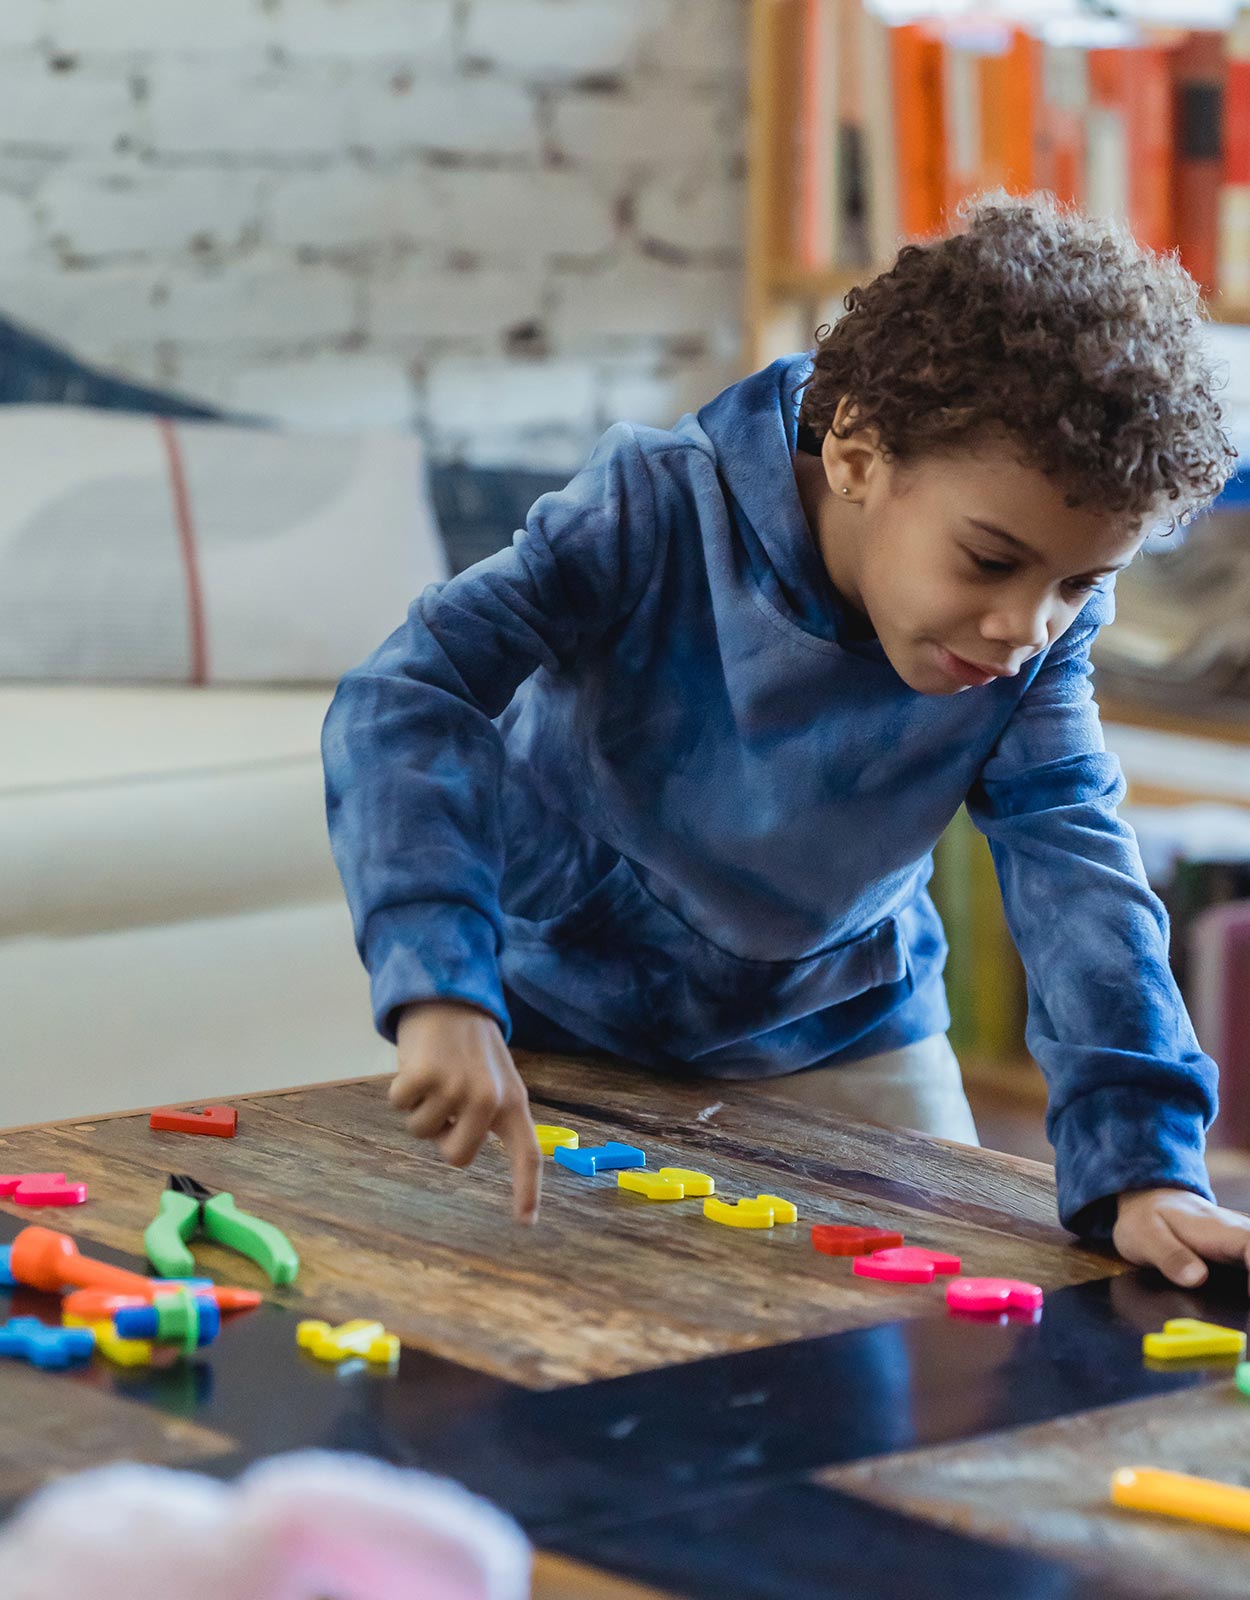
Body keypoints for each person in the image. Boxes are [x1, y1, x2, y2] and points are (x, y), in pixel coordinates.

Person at [322, 191, 1250, 1287]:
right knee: (530, 1358)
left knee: (889, 1359)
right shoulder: (652, 508)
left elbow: (1075, 865)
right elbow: (408, 695)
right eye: (988, 560)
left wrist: (1144, 1165)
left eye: (1078, 584)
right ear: (856, 450)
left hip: (842, 1028)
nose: (1022, 628)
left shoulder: (1036, 641)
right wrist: (439, 982)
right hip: (554, 1010)